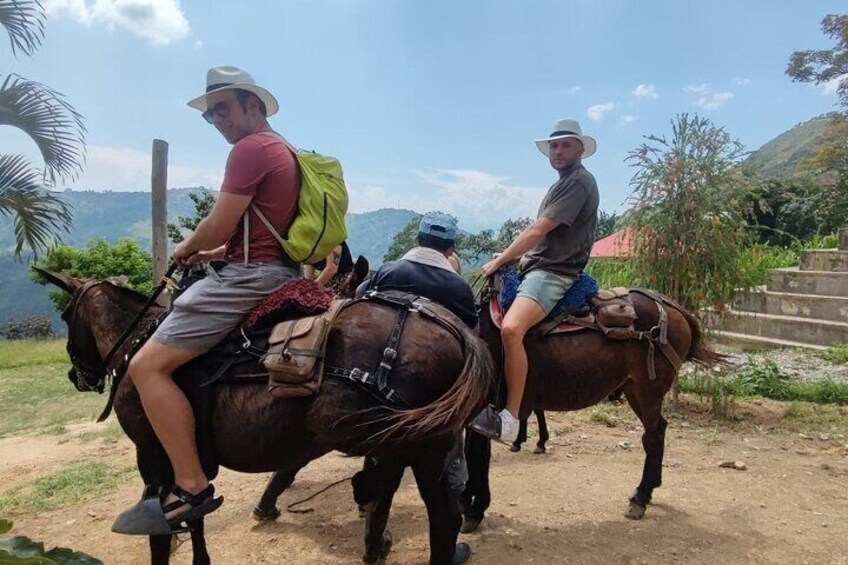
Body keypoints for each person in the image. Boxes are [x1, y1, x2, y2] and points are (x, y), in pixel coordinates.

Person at [116, 66, 302, 533]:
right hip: (275, 268)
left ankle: (191, 481)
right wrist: (218, 252)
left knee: (145, 367)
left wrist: (188, 248)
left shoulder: (250, 148)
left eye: (224, 108)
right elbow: (258, 232)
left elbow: (218, 225)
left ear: (253, 106)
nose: (218, 119)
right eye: (210, 114)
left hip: (250, 279)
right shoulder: (285, 150)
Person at [355, 211, 475, 564]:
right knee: (441, 487)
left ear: (417, 240)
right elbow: (473, 344)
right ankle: (443, 556)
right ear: (451, 248)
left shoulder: (388, 272)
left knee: (383, 471)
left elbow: (358, 308)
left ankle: (373, 548)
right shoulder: (458, 288)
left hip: (382, 399)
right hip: (436, 405)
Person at [469, 118, 599, 445]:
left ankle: (511, 418)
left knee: (512, 329)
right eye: (553, 146)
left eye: (565, 144)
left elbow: (539, 230)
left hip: (554, 272)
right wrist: (512, 257)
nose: (557, 151)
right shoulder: (564, 182)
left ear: (580, 149)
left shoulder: (579, 181)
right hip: (537, 266)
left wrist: (500, 260)